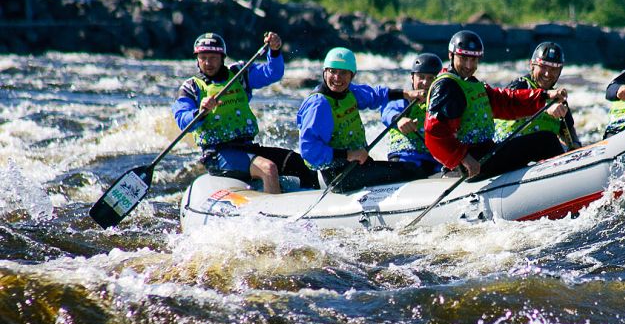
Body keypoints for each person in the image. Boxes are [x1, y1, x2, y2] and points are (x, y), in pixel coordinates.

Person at [172, 31, 319, 193]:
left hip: (247, 148)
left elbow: (272, 72)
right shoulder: (191, 88)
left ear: (222, 58)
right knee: (268, 168)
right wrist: (201, 111)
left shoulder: (239, 74)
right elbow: (182, 120)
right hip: (218, 155)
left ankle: (317, 205)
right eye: (203, 58)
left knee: (298, 163)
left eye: (213, 57)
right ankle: (271, 215)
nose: (208, 63)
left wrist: (275, 51)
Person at [424, 30, 567, 181]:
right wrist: (463, 158)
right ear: (451, 56)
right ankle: (567, 182)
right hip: (470, 163)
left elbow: (506, 101)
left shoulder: (471, 83)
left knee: (542, 140)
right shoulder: (447, 86)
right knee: (546, 141)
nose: (469, 65)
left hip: (487, 153)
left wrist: (544, 96)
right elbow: (434, 132)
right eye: (464, 58)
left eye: (473, 60)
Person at [295, 47, 425, 193]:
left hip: (359, 165)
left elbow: (375, 95)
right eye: (332, 71)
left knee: (410, 168)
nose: (337, 78)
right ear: (324, 71)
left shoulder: (350, 92)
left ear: (352, 75)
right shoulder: (319, 105)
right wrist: (348, 155)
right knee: (412, 172)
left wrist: (406, 94)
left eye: (343, 73)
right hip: (340, 176)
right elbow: (309, 151)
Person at [494, 41, 581, 151]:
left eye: (554, 69)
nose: (547, 74)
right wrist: (545, 107)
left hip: (537, 158)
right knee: (548, 140)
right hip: (504, 151)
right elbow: (514, 101)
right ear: (532, 65)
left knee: (552, 143)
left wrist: (575, 144)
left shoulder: (558, 100)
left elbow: (568, 130)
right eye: (543, 67)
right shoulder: (520, 85)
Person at [379, 53, 444, 176]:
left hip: (434, 162)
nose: (425, 82)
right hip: (405, 159)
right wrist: (399, 120)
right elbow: (387, 112)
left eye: (431, 78)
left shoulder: (443, 103)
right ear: (412, 77)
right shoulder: (403, 99)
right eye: (421, 76)